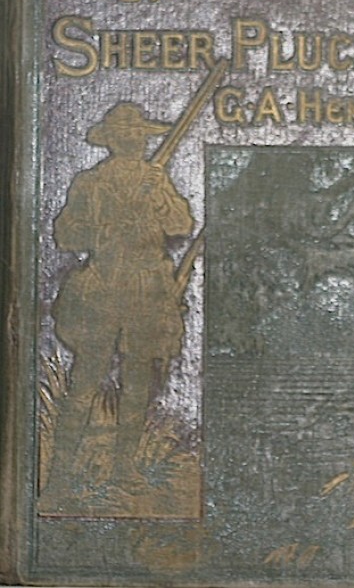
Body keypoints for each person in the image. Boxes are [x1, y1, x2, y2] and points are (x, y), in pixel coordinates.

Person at [42, 102, 194, 505]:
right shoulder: (90, 183)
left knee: (138, 382)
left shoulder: (156, 178)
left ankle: (124, 470)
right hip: (103, 289)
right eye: (126, 134)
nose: (135, 140)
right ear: (110, 140)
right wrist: (106, 230)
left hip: (147, 291)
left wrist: (160, 199)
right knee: (85, 383)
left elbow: (181, 225)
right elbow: (65, 234)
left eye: (139, 134)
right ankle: (59, 480)